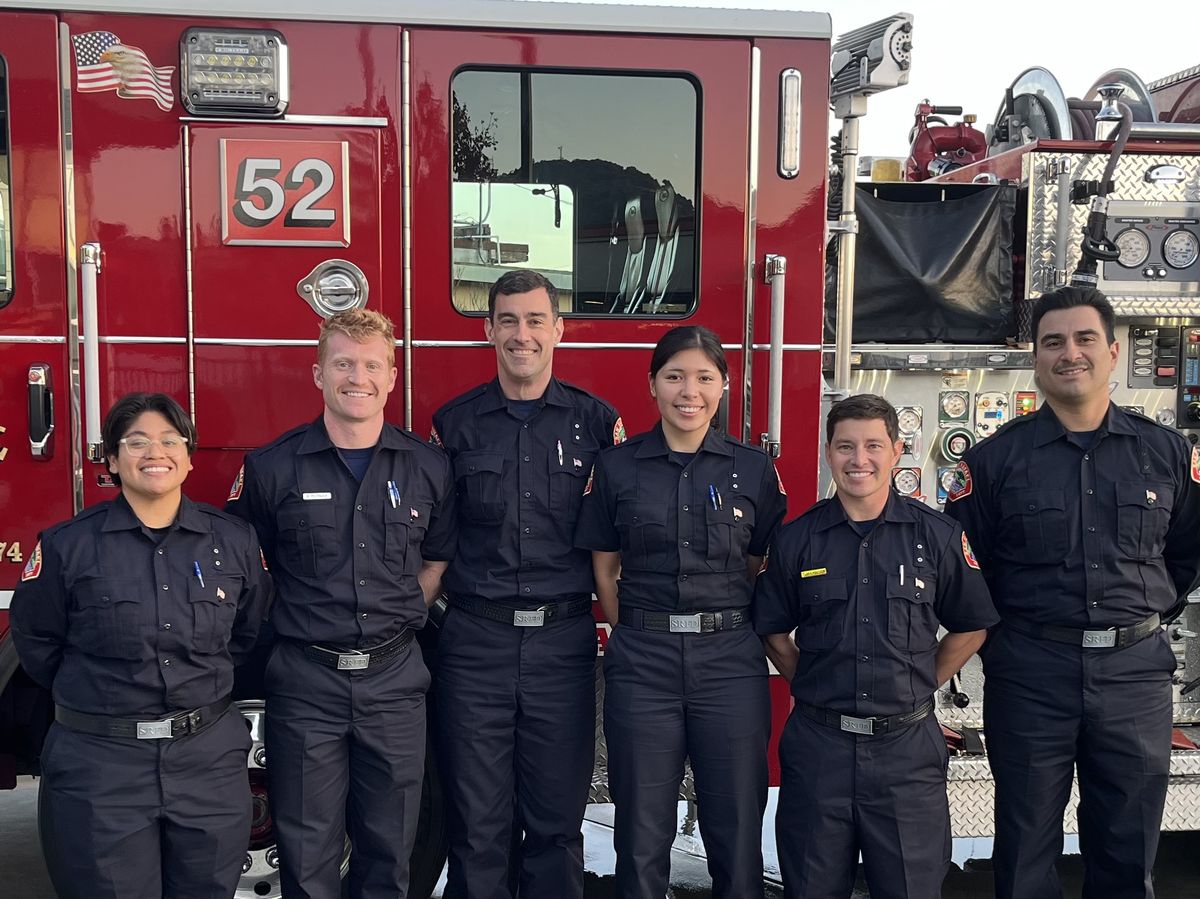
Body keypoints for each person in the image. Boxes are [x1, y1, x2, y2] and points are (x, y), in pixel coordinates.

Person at [945, 286, 1200, 899]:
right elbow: (965, 569)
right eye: (1053, 342)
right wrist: (1005, 647)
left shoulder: (1166, 452)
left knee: (1125, 848)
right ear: (1035, 358)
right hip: (1031, 672)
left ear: (1112, 352)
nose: (1070, 354)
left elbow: (1187, 551)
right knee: (1025, 848)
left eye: (1085, 339)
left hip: (1134, 675)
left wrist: (1140, 620)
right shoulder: (994, 461)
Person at [227, 309, 457, 899]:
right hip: (306, 683)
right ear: (318, 373)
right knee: (308, 855)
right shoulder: (272, 467)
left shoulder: (428, 467)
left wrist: (402, 611)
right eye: (344, 364)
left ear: (392, 375)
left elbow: (436, 560)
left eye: (371, 364)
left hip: (395, 681)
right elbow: (244, 565)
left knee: (389, 852)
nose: (358, 376)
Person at [11, 392, 270, 899]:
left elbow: (247, 633)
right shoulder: (66, 547)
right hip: (101, 765)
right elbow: (38, 643)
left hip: (207, 762)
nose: (156, 452)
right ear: (111, 458)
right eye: (137, 442)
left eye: (170, 440)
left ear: (190, 456)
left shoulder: (233, 542)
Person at [754, 393, 997, 899]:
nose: (858, 459)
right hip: (820, 746)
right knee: (812, 888)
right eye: (845, 446)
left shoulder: (937, 536)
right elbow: (773, 630)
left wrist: (921, 680)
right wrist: (812, 683)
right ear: (828, 454)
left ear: (897, 450)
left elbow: (972, 625)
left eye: (872, 446)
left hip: (906, 752)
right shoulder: (798, 540)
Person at [575, 325, 787, 899]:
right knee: (641, 829)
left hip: (729, 662)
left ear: (724, 385)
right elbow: (605, 569)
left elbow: (758, 561)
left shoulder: (754, 470)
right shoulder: (616, 468)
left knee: (736, 823)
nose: (688, 391)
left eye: (702, 377)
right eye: (674, 377)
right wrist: (641, 631)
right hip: (644, 662)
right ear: (652, 385)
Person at [430, 269, 623, 899]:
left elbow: (617, 539)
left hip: (561, 643)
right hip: (474, 642)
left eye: (536, 320)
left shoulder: (597, 425)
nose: (522, 334)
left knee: (555, 823)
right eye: (508, 320)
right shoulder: (452, 426)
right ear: (488, 330)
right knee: (477, 825)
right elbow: (431, 537)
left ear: (559, 330)